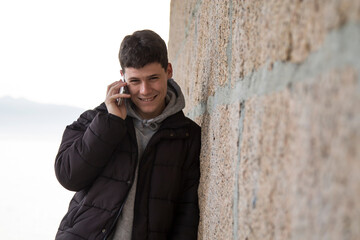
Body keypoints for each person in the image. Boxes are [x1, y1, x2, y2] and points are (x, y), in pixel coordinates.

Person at [54, 29, 201, 240]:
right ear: (122, 77)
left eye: (153, 78)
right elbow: (68, 176)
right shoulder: (96, 120)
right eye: (135, 81)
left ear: (168, 71)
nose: (145, 90)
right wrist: (110, 123)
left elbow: (186, 214)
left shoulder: (187, 135)